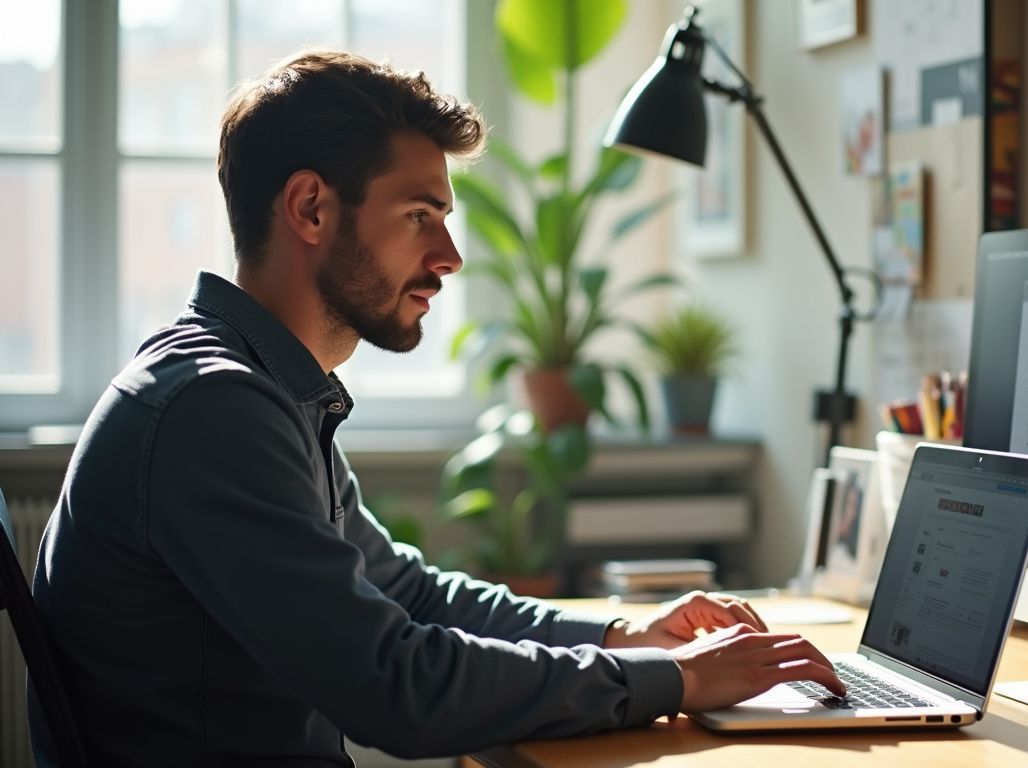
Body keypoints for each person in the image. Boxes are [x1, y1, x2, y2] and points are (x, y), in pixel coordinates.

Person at [30, 50, 843, 765]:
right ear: (311, 208)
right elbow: (396, 688)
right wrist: (679, 679)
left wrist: (617, 637)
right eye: (421, 217)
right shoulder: (214, 407)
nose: (449, 258)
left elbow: (406, 595)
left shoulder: (258, 387)